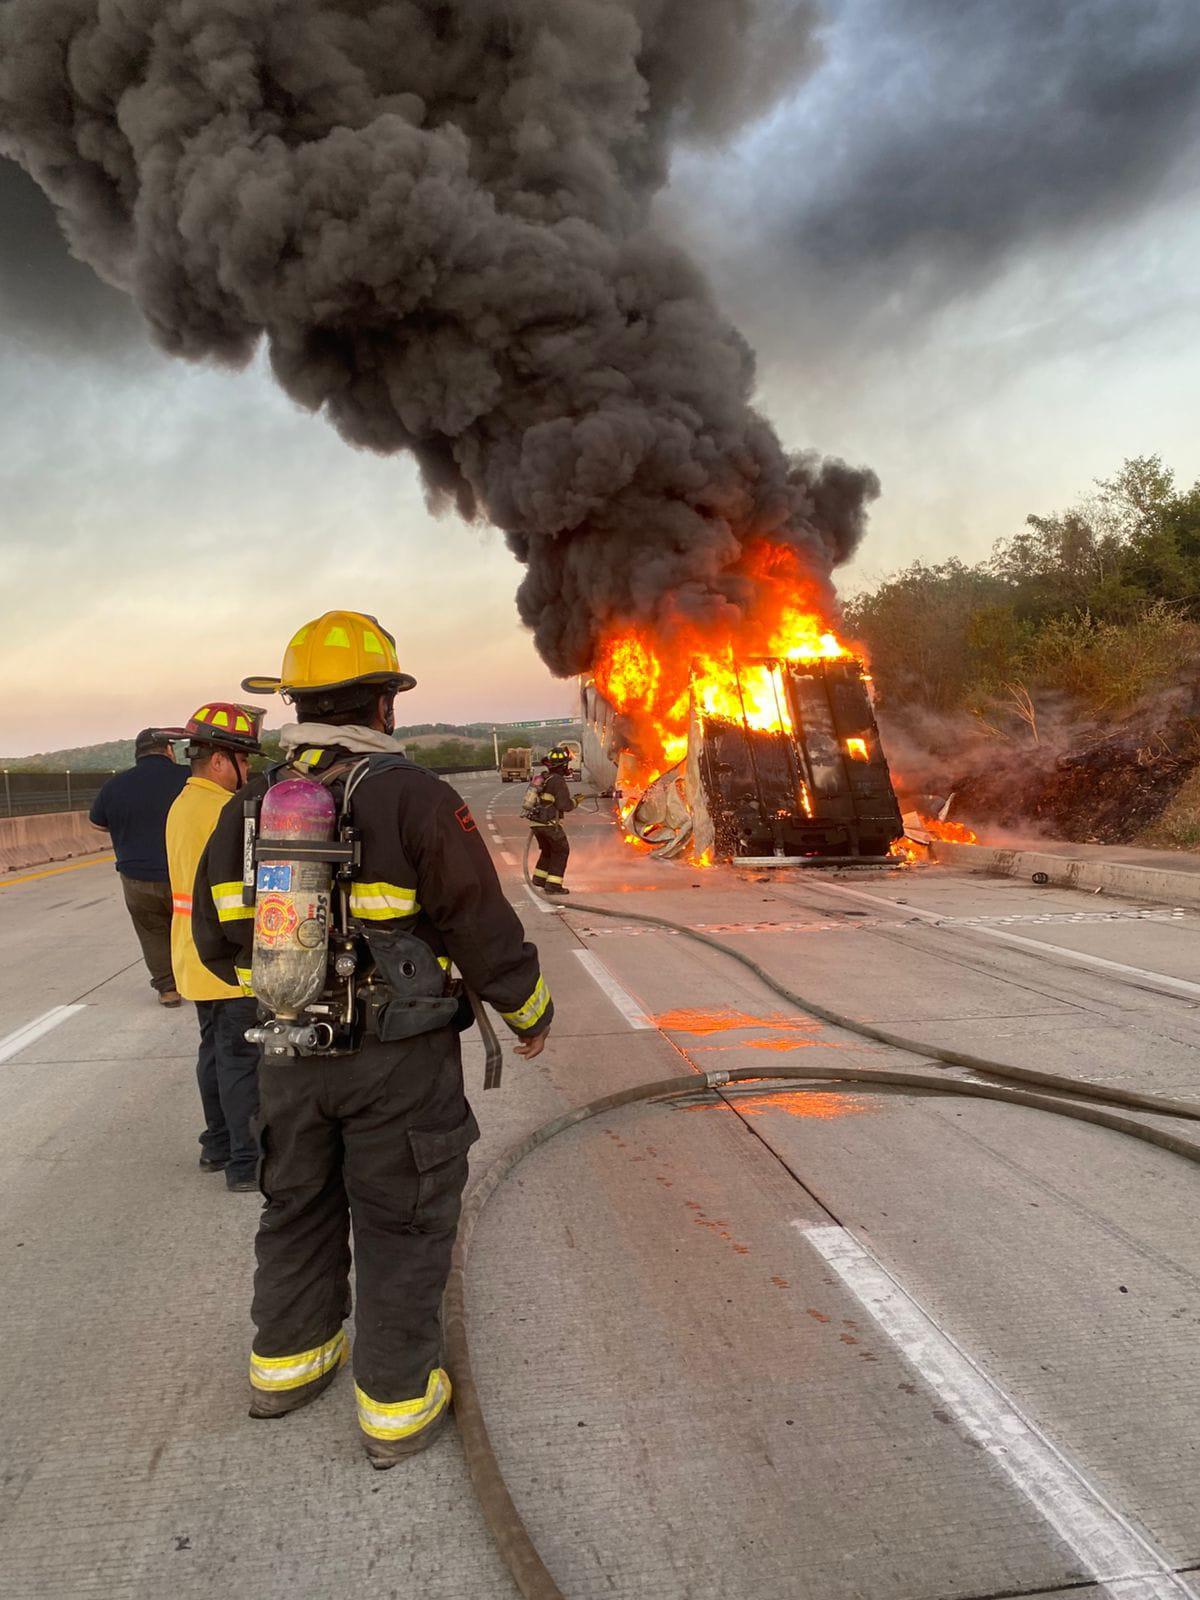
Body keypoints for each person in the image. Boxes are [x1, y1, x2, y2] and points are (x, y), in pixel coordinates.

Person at [191, 610, 553, 1467]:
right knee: (401, 1221)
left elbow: (215, 938)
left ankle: (286, 1365)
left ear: (299, 704)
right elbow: (480, 926)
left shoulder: (251, 805)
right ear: (383, 706)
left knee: (297, 1206)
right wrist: (530, 1012)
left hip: (287, 1056)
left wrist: (284, 994)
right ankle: (395, 1406)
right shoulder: (417, 797)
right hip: (400, 1063)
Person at [166, 703, 265, 1192]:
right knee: (241, 1058)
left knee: (214, 1053)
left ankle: (218, 1144)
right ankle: (247, 1163)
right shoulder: (225, 811)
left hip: (191, 953)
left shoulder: (183, 803)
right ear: (221, 760)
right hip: (224, 956)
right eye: (245, 760)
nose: (249, 771)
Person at [89, 728, 189, 1006]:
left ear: (137, 752)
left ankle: (168, 989)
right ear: (169, 750)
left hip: (136, 877)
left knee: (152, 932)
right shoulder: (189, 778)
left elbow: (97, 822)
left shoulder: (115, 785)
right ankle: (197, 982)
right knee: (191, 928)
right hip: (182, 874)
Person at [526, 745, 577, 896]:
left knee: (548, 851)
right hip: (549, 825)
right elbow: (564, 805)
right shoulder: (558, 781)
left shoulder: (543, 778)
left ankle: (539, 879)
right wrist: (576, 801)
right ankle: (553, 886)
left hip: (536, 824)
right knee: (561, 851)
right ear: (563, 765)